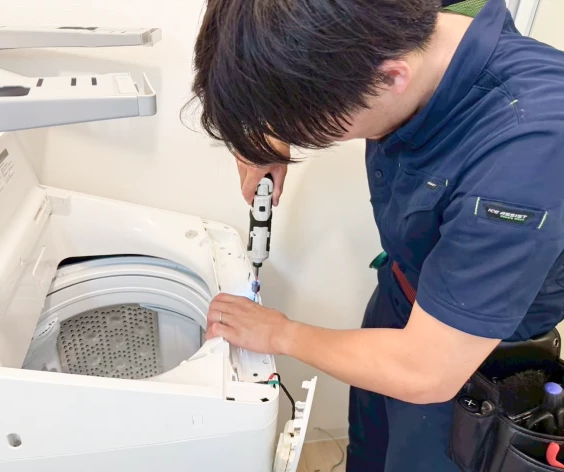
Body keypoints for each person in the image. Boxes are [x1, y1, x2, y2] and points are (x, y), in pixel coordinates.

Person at [186, 0, 564, 470]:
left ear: (390, 78)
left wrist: (281, 334)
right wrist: (269, 122)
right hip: (399, 294)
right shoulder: (399, 24)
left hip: (471, 365)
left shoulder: (524, 157)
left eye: (310, 130)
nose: (300, 137)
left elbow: (425, 369)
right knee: (367, 450)